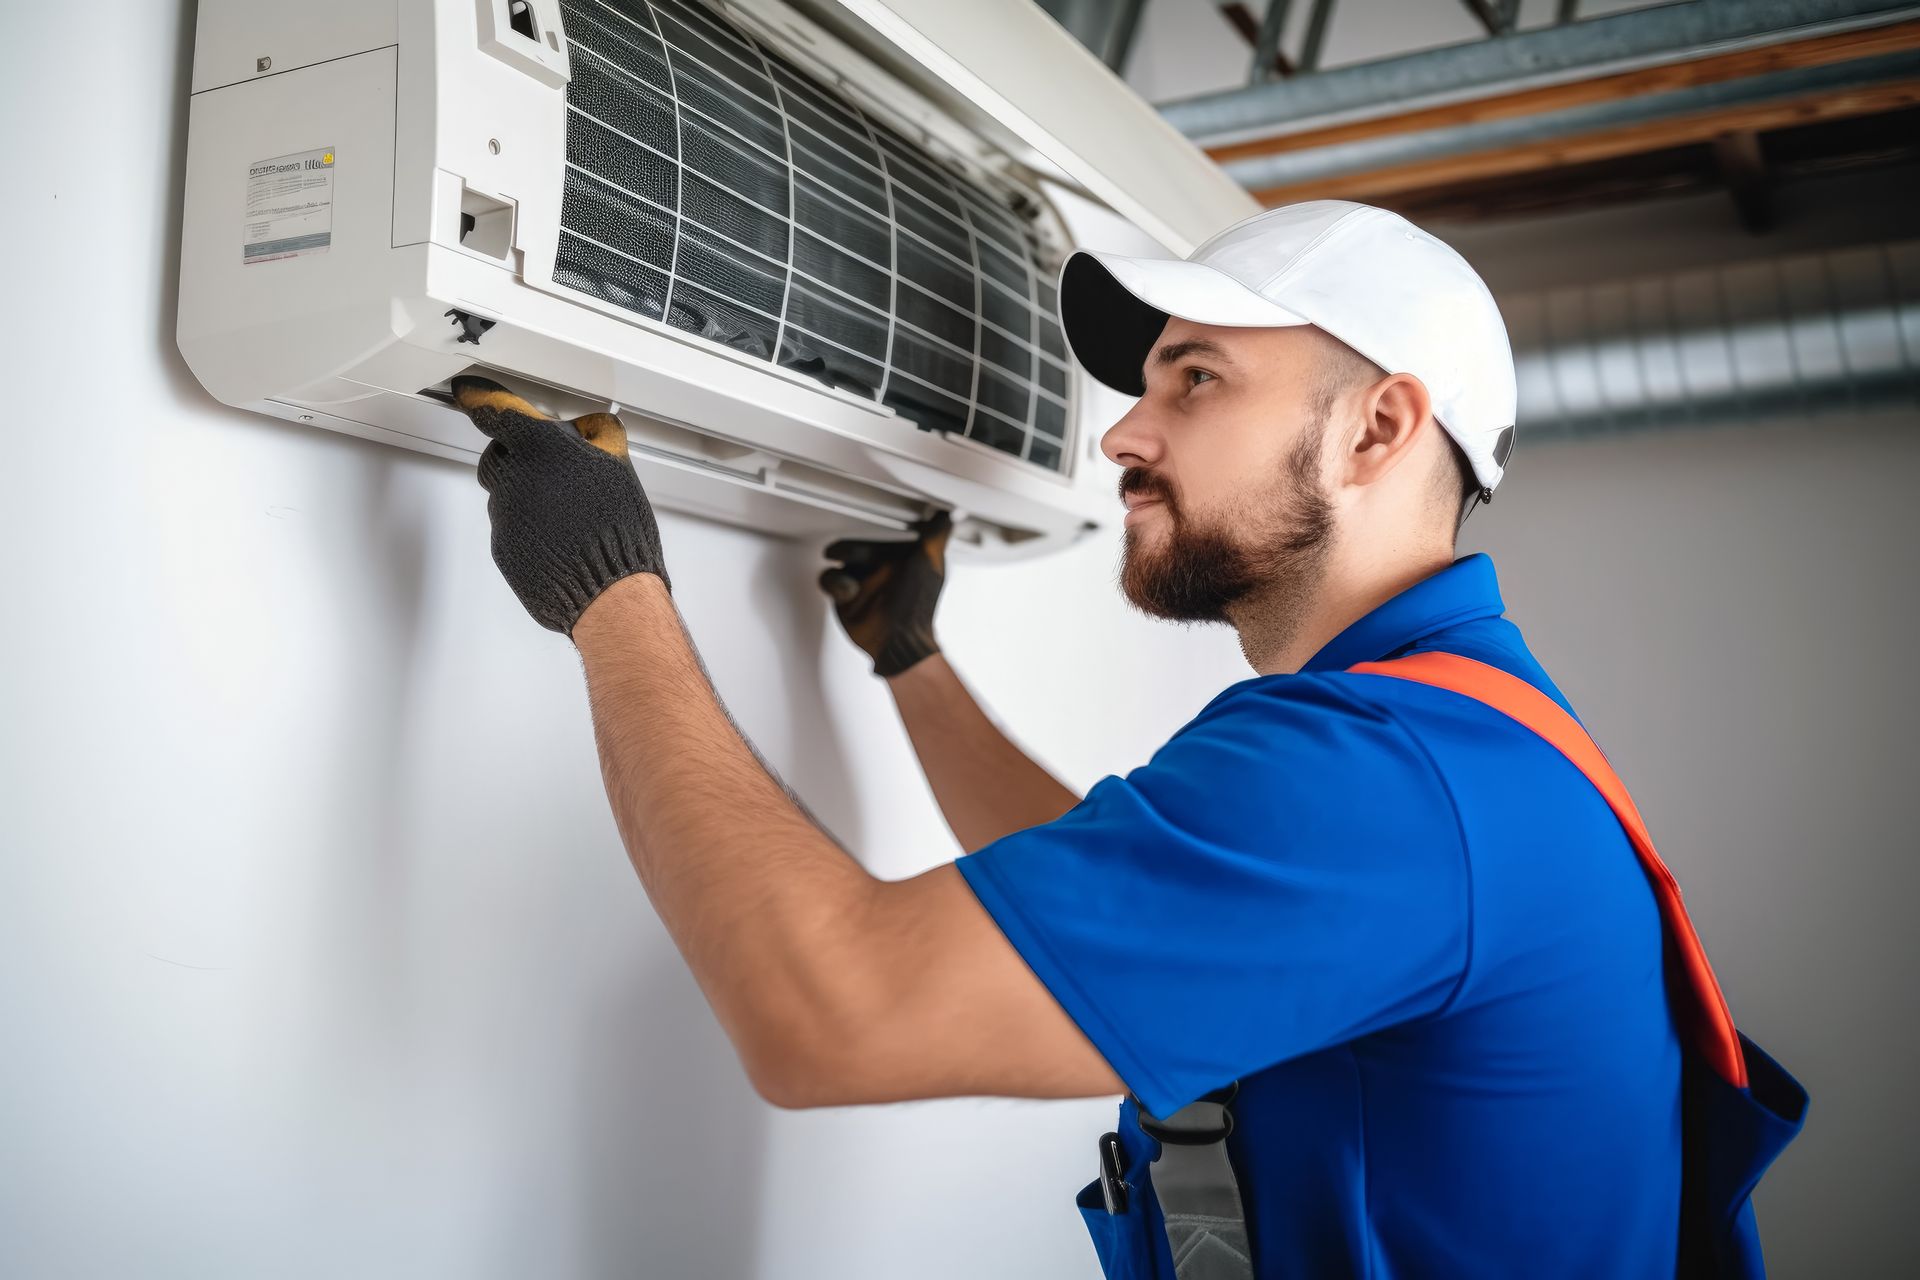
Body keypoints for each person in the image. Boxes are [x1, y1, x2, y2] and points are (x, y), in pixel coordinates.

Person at [447, 200, 1686, 1277]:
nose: (1122, 434)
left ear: (1376, 428)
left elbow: (828, 1012)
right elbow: (1123, 912)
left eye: (1196, 377)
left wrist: (611, 592)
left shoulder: (1390, 777)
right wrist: (909, 660)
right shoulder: (1458, 736)